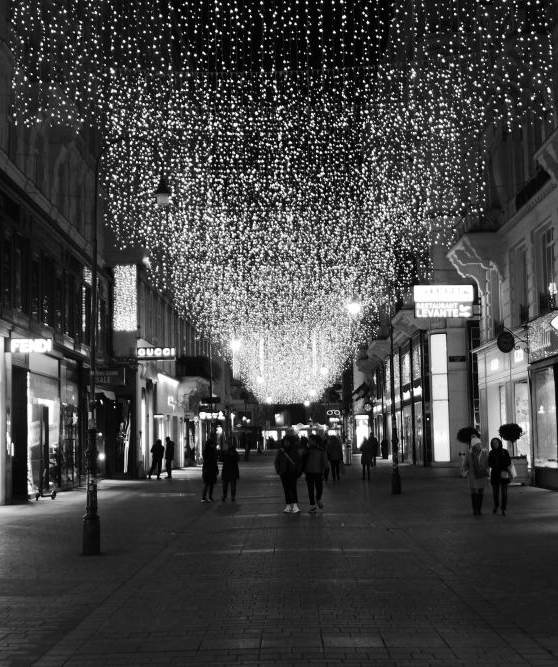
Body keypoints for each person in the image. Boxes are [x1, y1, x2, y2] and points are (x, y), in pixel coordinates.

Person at [462, 435, 490, 516]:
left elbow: (488, 463)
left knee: (481, 491)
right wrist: (466, 471)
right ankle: (475, 510)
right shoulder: (469, 453)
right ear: (473, 446)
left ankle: (479, 509)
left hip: (482, 475)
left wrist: (487, 470)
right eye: (478, 444)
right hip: (472, 475)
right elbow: (465, 464)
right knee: (474, 492)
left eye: (480, 444)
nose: (479, 446)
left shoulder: (485, 453)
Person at [274, 434, 302, 513]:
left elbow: (299, 462)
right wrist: (279, 470)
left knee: (293, 489)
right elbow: (277, 461)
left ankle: (295, 505)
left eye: (287, 441)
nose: (286, 443)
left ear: (290, 442)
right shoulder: (281, 450)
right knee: (286, 489)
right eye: (285, 441)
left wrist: (298, 471)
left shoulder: (294, 450)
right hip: (283, 472)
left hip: (292, 472)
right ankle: (288, 505)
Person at [303, 434, 329, 512]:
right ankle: (312, 505)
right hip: (309, 472)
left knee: (319, 488)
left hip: (318, 472)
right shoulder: (307, 450)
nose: (309, 441)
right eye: (309, 440)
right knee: (310, 489)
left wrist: (326, 470)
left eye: (310, 440)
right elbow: (302, 458)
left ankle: (318, 499)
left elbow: (325, 461)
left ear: (314, 441)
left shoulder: (321, 450)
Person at [488, 436, 512, 516]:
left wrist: (506, 469)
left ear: (499, 443)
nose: (495, 444)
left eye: (496, 443)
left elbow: (509, 462)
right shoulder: (491, 452)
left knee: (504, 493)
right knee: (495, 493)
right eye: (493, 443)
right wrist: (494, 465)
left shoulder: (505, 451)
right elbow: (489, 463)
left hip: (503, 473)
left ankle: (503, 508)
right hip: (495, 474)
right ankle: (496, 506)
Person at [201, 436, 219, 502]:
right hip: (209, 468)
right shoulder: (209, 451)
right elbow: (210, 460)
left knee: (209, 484)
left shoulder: (210, 450)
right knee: (207, 483)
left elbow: (215, 460)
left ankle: (208, 497)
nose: (213, 445)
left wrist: (216, 468)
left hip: (210, 468)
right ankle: (205, 497)